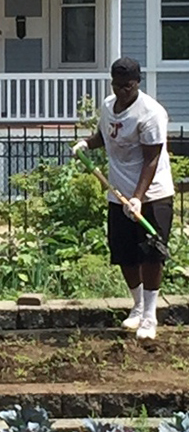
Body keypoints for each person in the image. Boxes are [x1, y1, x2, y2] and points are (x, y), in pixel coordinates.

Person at [72, 56, 173, 341]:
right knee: (124, 253)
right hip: (118, 194)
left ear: (137, 83)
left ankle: (151, 316)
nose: (121, 91)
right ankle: (138, 306)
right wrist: (87, 143)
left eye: (126, 86)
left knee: (151, 254)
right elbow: (105, 136)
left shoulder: (150, 113)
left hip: (153, 196)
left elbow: (151, 159)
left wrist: (138, 198)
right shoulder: (108, 106)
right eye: (116, 86)